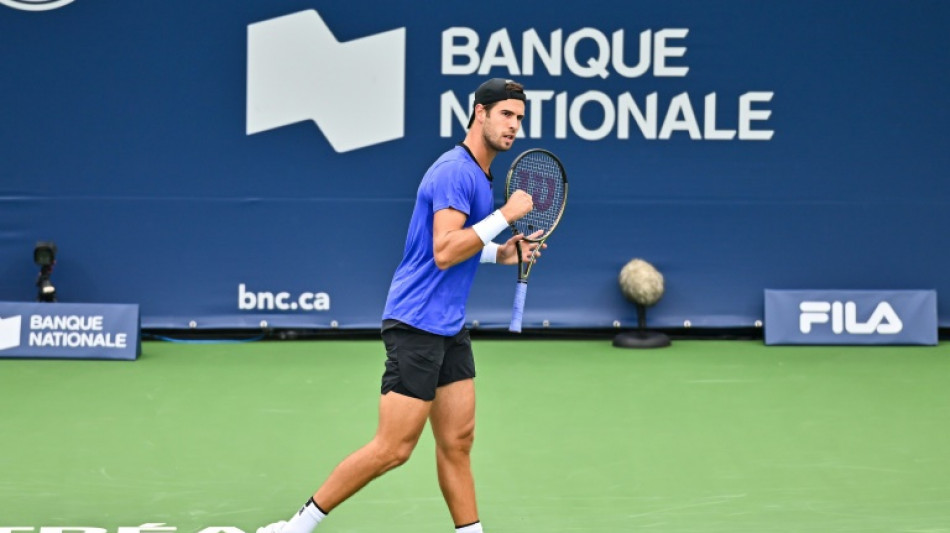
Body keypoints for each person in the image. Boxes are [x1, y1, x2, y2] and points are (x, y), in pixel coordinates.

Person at [257, 78, 543, 533]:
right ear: (480, 114)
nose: (514, 126)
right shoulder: (454, 171)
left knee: (458, 442)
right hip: (416, 323)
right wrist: (505, 216)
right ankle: (297, 526)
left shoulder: (480, 177)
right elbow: (445, 250)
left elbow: (460, 249)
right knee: (394, 448)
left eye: (520, 118)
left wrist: (501, 252)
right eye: (506, 115)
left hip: (448, 326)